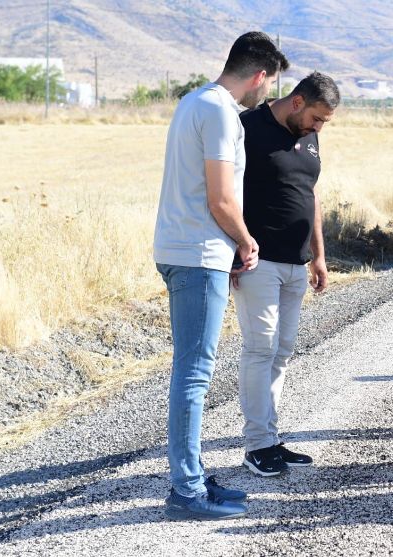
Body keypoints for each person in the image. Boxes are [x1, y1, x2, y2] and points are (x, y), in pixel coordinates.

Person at [153, 31, 288, 520]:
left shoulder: (195, 102)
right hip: (197, 252)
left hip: (185, 248)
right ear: (257, 76)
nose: (267, 94)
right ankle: (185, 490)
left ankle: (190, 476)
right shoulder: (219, 111)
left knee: (193, 371)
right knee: (193, 375)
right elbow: (220, 197)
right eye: (269, 84)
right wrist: (247, 240)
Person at [234, 72, 340, 477]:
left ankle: (271, 439)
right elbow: (222, 191)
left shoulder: (308, 135)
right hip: (257, 262)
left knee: (281, 351)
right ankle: (256, 445)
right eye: (317, 118)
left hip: (297, 264)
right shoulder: (248, 129)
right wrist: (234, 249)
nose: (318, 128)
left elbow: (310, 194)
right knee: (260, 350)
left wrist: (318, 255)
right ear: (297, 102)